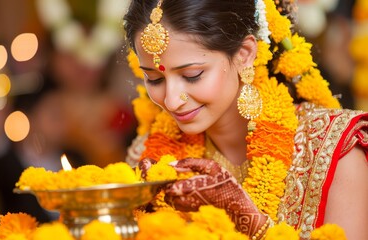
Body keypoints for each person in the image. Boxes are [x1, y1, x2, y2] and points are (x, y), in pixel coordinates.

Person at [123, 0, 368, 239]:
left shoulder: (335, 149)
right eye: (155, 79)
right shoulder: (147, 158)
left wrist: (249, 219)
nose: (172, 100)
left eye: (192, 75)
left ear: (245, 54)